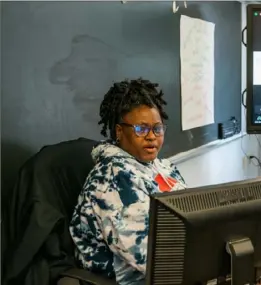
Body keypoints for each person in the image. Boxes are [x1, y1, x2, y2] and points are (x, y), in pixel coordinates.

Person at [69, 78, 187, 285]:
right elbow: (147, 257)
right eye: (141, 129)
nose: (151, 137)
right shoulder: (112, 178)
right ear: (119, 132)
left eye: (157, 129)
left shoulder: (163, 168)